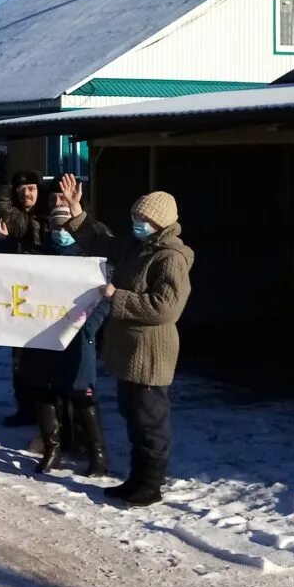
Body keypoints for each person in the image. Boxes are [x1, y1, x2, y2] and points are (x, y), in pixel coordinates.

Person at [67, 190, 194, 507]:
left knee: (150, 419)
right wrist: (76, 212)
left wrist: (116, 297)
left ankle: (151, 484)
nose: (136, 223)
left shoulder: (169, 257)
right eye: (135, 217)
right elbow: (103, 243)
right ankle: (136, 479)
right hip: (129, 350)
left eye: (143, 219)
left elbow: (165, 308)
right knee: (133, 416)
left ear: (159, 222)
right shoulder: (138, 247)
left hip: (151, 352)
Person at [26, 179, 112, 478]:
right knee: (45, 393)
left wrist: (88, 328)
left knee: (82, 395)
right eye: (55, 227)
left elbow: (104, 299)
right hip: (45, 339)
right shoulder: (39, 260)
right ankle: (53, 450)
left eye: (65, 226)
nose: (60, 232)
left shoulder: (90, 261)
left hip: (78, 339)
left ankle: (97, 454)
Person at [0, 159, 49, 428]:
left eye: (33, 189)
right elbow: (2, 208)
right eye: (23, 189)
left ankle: (48, 411)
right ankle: (24, 407)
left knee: (46, 358)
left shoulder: (50, 215)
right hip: (21, 297)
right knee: (20, 357)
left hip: (48, 297)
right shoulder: (13, 217)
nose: (28, 194)